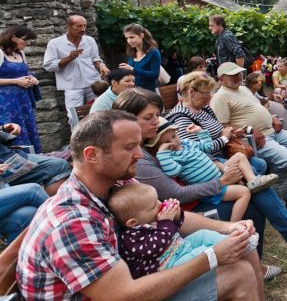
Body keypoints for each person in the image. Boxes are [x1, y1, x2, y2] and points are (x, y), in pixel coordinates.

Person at [17, 110, 266, 301]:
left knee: (242, 245)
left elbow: (169, 215)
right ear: (92, 155)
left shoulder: (117, 183)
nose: (139, 154)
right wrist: (211, 257)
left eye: (139, 144)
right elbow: (124, 295)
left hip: (130, 278)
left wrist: (228, 229)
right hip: (121, 291)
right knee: (238, 274)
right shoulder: (73, 220)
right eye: (129, 147)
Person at [116, 89, 287, 262]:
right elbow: (177, 194)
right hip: (182, 216)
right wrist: (221, 181)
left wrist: (217, 164)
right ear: (128, 120)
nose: (156, 121)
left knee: (253, 177)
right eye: (149, 117)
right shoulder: (142, 156)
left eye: (156, 115)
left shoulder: (151, 143)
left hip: (197, 194)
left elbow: (192, 152)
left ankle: (274, 246)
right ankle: (274, 244)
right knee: (253, 196)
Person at [108, 184, 252, 279]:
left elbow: (174, 229)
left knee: (203, 235)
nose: (160, 205)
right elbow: (154, 248)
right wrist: (165, 222)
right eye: (153, 206)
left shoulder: (147, 218)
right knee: (202, 252)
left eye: (158, 200)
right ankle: (231, 249)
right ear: (133, 222)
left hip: (178, 248)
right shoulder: (129, 238)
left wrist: (175, 215)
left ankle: (239, 242)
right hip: (167, 267)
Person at [150, 118, 269, 222]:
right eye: (166, 142)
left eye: (174, 136)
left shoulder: (187, 143)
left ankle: (253, 181)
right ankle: (233, 225)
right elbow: (173, 171)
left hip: (219, 174)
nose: (173, 142)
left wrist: (200, 132)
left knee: (240, 156)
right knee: (244, 192)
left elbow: (208, 147)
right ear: (159, 147)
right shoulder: (169, 157)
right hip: (213, 188)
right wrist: (162, 154)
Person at [211, 63, 287, 172]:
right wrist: (249, 130)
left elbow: (258, 106)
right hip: (254, 139)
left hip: (273, 130)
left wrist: (273, 117)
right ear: (221, 78)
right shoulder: (220, 96)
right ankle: (274, 177)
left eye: (239, 73)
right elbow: (222, 126)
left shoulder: (243, 88)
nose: (238, 76)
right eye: (233, 75)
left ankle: (278, 173)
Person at [43, 15, 110, 121]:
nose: (82, 29)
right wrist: (69, 58)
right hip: (72, 85)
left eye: (84, 26)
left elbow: (95, 59)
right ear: (68, 27)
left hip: (93, 83)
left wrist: (102, 66)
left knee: (100, 113)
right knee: (73, 117)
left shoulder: (89, 40)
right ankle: (77, 137)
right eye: (78, 26)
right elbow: (48, 66)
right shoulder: (55, 43)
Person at [0, 25, 41, 151]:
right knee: (13, 128)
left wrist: (31, 78)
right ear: (13, 38)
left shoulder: (21, 54)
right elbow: (16, 78)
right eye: (25, 39)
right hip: (6, 101)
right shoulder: (0, 54)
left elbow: (24, 73)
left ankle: (32, 159)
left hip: (23, 99)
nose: (27, 43)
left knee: (27, 127)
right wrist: (15, 81)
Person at [0, 122, 70, 195]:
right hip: (4, 168)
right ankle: (52, 204)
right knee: (59, 167)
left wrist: (4, 128)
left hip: (11, 156)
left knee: (60, 164)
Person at [119, 23, 161, 92]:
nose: (129, 41)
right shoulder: (132, 52)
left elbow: (155, 75)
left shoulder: (153, 52)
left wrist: (133, 69)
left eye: (132, 37)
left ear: (141, 35)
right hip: (134, 91)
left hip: (149, 92)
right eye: (127, 38)